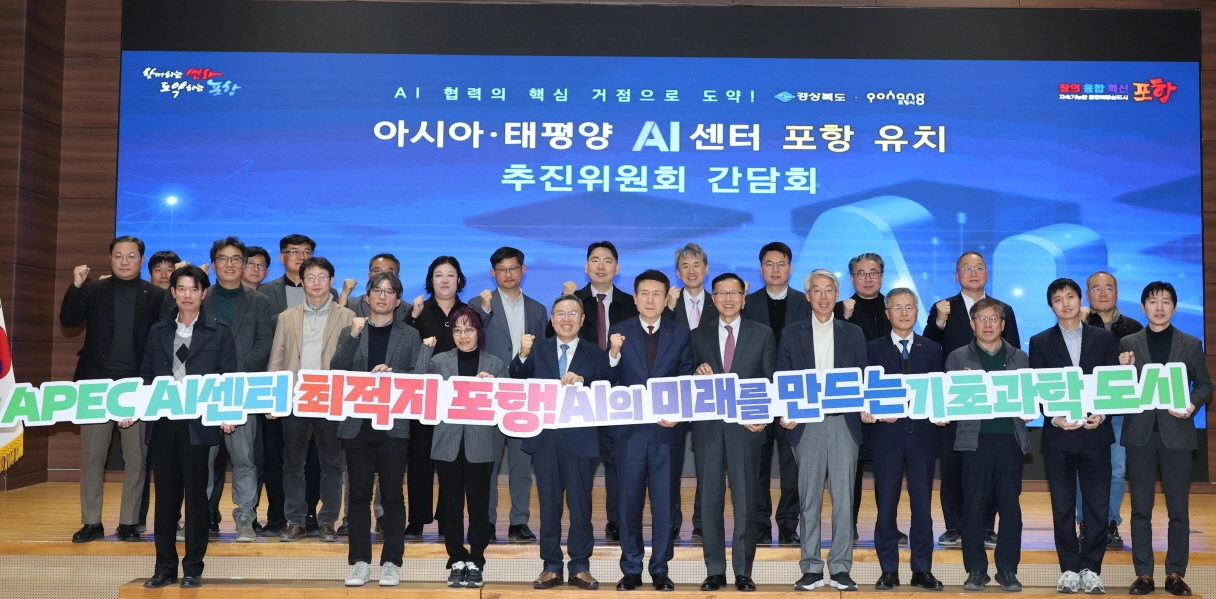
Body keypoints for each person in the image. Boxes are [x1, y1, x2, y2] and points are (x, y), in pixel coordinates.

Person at [330, 271, 435, 587]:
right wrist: (352, 336)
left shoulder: (409, 335)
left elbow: (418, 378)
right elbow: (336, 369)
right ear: (367, 297)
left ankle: (391, 561)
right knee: (358, 496)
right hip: (356, 425)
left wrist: (393, 375)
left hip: (393, 426)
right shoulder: (352, 329)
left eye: (389, 292)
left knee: (392, 496)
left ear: (398, 301)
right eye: (377, 290)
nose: (382, 296)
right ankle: (359, 562)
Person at [60, 235, 167, 543]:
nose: (124, 261)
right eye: (118, 256)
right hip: (97, 386)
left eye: (131, 256)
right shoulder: (94, 289)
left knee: (137, 460)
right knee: (93, 458)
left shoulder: (156, 295)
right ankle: (91, 522)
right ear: (110, 259)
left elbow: (163, 340)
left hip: (137, 388)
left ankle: (129, 522)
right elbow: (69, 319)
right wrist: (76, 285)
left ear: (141, 260)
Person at [140, 265, 238, 589]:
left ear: (203, 293)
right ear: (172, 292)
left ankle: (193, 567)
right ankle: (164, 568)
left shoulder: (219, 331)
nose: (187, 295)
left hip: (198, 424)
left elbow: (228, 376)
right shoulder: (158, 330)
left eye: (193, 289)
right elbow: (147, 376)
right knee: (166, 499)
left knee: (197, 499)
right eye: (181, 289)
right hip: (163, 423)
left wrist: (227, 413)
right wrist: (132, 408)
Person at [1119, 282, 1212, 597]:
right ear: (1142, 307)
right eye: (1153, 301)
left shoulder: (1190, 343)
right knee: (1140, 509)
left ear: (1174, 307)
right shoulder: (1128, 342)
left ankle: (1175, 573)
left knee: (1178, 510)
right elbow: (1117, 388)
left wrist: (1192, 405)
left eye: (1166, 301)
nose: (1159, 307)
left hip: (1177, 435)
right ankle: (1143, 574)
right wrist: (1121, 370)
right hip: (1140, 436)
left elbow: (1205, 385)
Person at [511, 294, 610, 590]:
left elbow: (608, 387)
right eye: (561, 313)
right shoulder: (537, 349)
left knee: (580, 506)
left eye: (573, 313)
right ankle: (551, 565)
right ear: (552, 319)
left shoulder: (596, 353)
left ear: (582, 319)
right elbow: (517, 379)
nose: (567, 319)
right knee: (549, 505)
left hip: (581, 440)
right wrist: (522, 354)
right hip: (545, 440)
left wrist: (584, 382)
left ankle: (580, 566)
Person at [1029, 278, 1120, 594]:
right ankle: (1068, 567)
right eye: (1058, 299)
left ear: (1080, 300)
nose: (1065, 303)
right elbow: (1037, 388)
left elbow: (1112, 382)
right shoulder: (1040, 341)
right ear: (1051, 305)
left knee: (1097, 505)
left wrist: (1102, 414)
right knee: (1063, 505)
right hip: (1060, 437)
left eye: (1070, 297)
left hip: (1095, 434)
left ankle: (1091, 567)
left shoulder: (1104, 338)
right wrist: (1054, 417)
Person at [778, 269, 866, 592]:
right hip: (807, 423)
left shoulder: (853, 332)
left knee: (844, 498)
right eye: (817, 290)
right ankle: (811, 567)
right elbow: (783, 376)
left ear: (837, 295)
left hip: (844, 421)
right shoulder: (791, 333)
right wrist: (786, 412)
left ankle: (841, 567)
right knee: (809, 499)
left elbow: (862, 375)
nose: (824, 296)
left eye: (829, 290)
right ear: (808, 296)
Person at [924, 251, 1019, 548]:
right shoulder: (943, 308)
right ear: (957, 276)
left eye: (979, 268)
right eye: (967, 268)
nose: (973, 273)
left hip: (994, 404)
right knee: (953, 465)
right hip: (956, 400)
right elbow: (928, 346)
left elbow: (1014, 353)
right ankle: (954, 525)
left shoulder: (1004, 309)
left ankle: (986, 526)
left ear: (987, 274)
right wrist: (939, 323)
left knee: (990, 468)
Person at [608, 269, 695, 591]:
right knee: (628, 505)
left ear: (666, 298)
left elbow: (687, 379)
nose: (650, 299)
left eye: (657, 294)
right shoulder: (619, 331)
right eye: (644, 293)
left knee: (665, 506)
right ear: (634, 298)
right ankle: (631, 568)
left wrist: (680, 415)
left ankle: (660, 568)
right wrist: (612, 355)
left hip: (666, 434)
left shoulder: (681, 333)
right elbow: (608, 379)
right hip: (629, 434)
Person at [690, 273, 773, 592]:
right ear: (712, 299)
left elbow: (769, 381)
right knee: (709, 502)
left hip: (746, 430)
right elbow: (684, 378)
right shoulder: (698, 335)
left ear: (743, 297)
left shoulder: (762, 333)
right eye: (721, 293)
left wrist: (761, 416)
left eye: (734, 293)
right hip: (709, 430)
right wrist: (695, 372)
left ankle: (743, 571)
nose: (728, 299)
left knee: (746, 503)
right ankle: (714, 569)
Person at [266, 256, 355, 542]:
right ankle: (296, 521)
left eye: (322, 277)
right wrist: (274, 398)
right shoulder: (287, 316)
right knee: (293, 463)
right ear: (302, 282)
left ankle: (327, 521)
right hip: (296, 397)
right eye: (311, 278)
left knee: (332, 463)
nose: (316, 283)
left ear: (332, 280)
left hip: (331, 398)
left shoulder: (348, 316)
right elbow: (277, 358)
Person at [947, 298, 1031, 593]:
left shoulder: (1020, 357)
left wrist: (1029, 408)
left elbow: (1029, 398)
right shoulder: (958, 357)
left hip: (1010, 440)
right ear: (972, 325)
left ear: (1003, 324)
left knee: (1010, 508)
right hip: (974, 441)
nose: (987, 324)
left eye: (992, 318)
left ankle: (1007, 569)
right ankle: (976, 570)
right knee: (973, 507)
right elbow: (948, 402)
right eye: (980, 319)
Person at [865, 288, 944, 591]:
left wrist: (941, 410)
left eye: (909, 307)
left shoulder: (932, 348)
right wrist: (869, 410)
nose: (904, 313)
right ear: (887, 313)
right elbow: (864, 390)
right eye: (897, 308)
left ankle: (922, 569)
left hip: (923, 438)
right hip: (887, 438)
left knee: (922, 506)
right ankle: (888, 570)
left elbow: (938, 391)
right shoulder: (872, 348)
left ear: (916, 312)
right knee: (886, 505)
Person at [200, 237, 275, 543]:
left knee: (244, 458)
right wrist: (215, 375)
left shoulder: (259, 301)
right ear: (213, 264)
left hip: (243, 389)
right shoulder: (201, 297)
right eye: (223, 258)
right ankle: (198, 516)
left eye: (235, 259)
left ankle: (245, 517)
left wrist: (234, 374)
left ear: (243, 265)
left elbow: (264, 344)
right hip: (206, 390)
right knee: (203, 459)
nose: (229, 264)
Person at [561, 241, 638, 543]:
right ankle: (581, 528)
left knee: (618, 461)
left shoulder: (631, 303)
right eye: (595, 260)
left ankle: (616, 521)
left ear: (617, 268)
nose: (601, 266)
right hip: (579, 398)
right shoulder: (571, 303)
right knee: (581, 465)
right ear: (586, 266)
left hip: (619, 395)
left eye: (608, 260)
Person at [430, 307, 507, 588]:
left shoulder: (495, 364)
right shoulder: (439, 361)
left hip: (480, 443)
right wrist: (424, 351)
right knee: (451, 504)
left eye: (469, 329)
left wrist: (495, 387)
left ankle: (476, 557)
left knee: (479, 505)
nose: (463, 335)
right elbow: (422, 393)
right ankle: (455, 558)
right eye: (458, 330)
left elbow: (506, 405)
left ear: (479, 332)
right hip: (447, 443)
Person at [472, 246, 546, 543]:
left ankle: (519, 521)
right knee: (487, 463)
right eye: (501, 270)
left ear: (523, 270)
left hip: (524, 396)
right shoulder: (479, 304)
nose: (508, 274)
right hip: (489, 393)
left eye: (513, 268)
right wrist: (484, 312)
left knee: (521, 464)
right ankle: (487, 521)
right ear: (493, 273)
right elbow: (471, 341)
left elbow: (542, 353)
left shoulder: (538, 309)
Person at [741, 241, 808, 547]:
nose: (775, 269)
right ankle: (760, 523)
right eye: (769, 264)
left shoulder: (804, 302)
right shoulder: (748, 303)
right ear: (761, 269)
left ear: (790, 268)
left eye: (781, 264)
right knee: (758, 463)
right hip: (758, 391)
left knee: (792, 464)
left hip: (794, 392)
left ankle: (788, 524)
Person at [834, 252, 899, 545]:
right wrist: (842, 318)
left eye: (873, 273)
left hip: (887, 399)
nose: (868, 278)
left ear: (882, 277)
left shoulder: (895, 308)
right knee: (852, 470)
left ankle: (888, 527)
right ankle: (848, 526)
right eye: (861, 273)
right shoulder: (839, 310)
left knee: (889, 470)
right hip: (853, 399)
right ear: (852, 279)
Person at [403, 255, 469, 540]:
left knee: (452, 462)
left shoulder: (467, 312)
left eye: (450, 274)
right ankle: (416, 521)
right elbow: (404, 345)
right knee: (419, 460)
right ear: (430, 280)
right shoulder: (419, 311)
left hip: (456, 398)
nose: (444, 280)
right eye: (438, 275)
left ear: (459, 280)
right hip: (423, 397)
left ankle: (448, 520)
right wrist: (413, 317)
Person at [1081, 271, 1143, 549]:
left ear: (1117, 292)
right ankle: (1086, 523)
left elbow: (1144, 373)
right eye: (1096, 288)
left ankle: (1110, 523)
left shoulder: (1134, 327)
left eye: (1108, 288)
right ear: (1087, 295)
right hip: (1087, 408)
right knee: (1084, 470)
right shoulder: (1078, 324)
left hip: (1119, 411)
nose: (1103, 293)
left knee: (1117, 470)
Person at [665, 243, 716, 542]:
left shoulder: (719, 301)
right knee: (671, 459)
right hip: (676, 391)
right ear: (678, 272)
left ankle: (702, 520)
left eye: (696, 264)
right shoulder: (667, 305)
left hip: (710, 392)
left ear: (706, 269)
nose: (691, 270)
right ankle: (672, 520)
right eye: (685, 266)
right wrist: (668, 309)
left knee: (708, 462)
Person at [259, 234, 336, 314]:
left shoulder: (330, 292)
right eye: (295, 252)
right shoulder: (265, 290)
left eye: (307, 252)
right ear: (282, 258)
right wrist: (282, 317)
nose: (301, 257)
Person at [338, 253, 409, 321]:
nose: (383, 275)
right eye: (377, 271)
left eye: (389, 272)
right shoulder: (352, 305)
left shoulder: (408, 310)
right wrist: (344, 294)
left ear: (397, 278)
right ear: (369, 276)